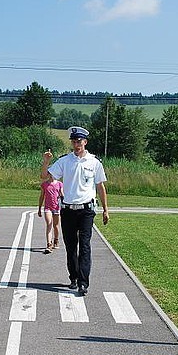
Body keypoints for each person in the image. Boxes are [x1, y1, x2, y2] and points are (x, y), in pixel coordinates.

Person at [41, 126, 109, 296]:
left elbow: (100, 186)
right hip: (68, 209)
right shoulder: (65, 161)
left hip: (86, 210)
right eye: (74, 141)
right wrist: (46, 161)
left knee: (85, 245)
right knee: (71, 246)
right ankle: (74, 277)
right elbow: (45, 176)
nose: (76, 144)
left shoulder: (94, 162)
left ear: (85, 142)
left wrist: (106, 209)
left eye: (79, 141)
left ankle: (83, 282)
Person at [38, 176, 64, 254]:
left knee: (56, 226)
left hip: (56, 207)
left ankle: (56, 239)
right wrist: (39, 208)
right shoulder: (44, 184)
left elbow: (62, 195)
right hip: (47, 208)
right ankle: (49, 244)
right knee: (49, 224)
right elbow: (42, 196)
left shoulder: (59, 184)